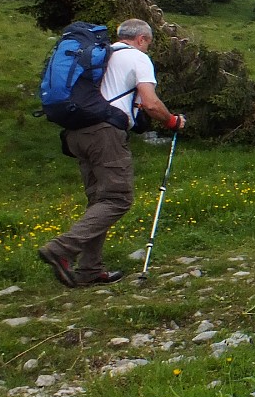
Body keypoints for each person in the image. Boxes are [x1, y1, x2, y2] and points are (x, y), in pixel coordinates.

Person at [38, 19, 185, 287]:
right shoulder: (137, 58)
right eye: (148, 44)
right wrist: (171, 121)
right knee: (117, 198)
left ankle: (89, 270)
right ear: (142, 39)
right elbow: (150, 103)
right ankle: (61, 248)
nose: (147, 48)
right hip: (104, 134)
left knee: (99, 201)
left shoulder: (101, 57)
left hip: (76, 133)